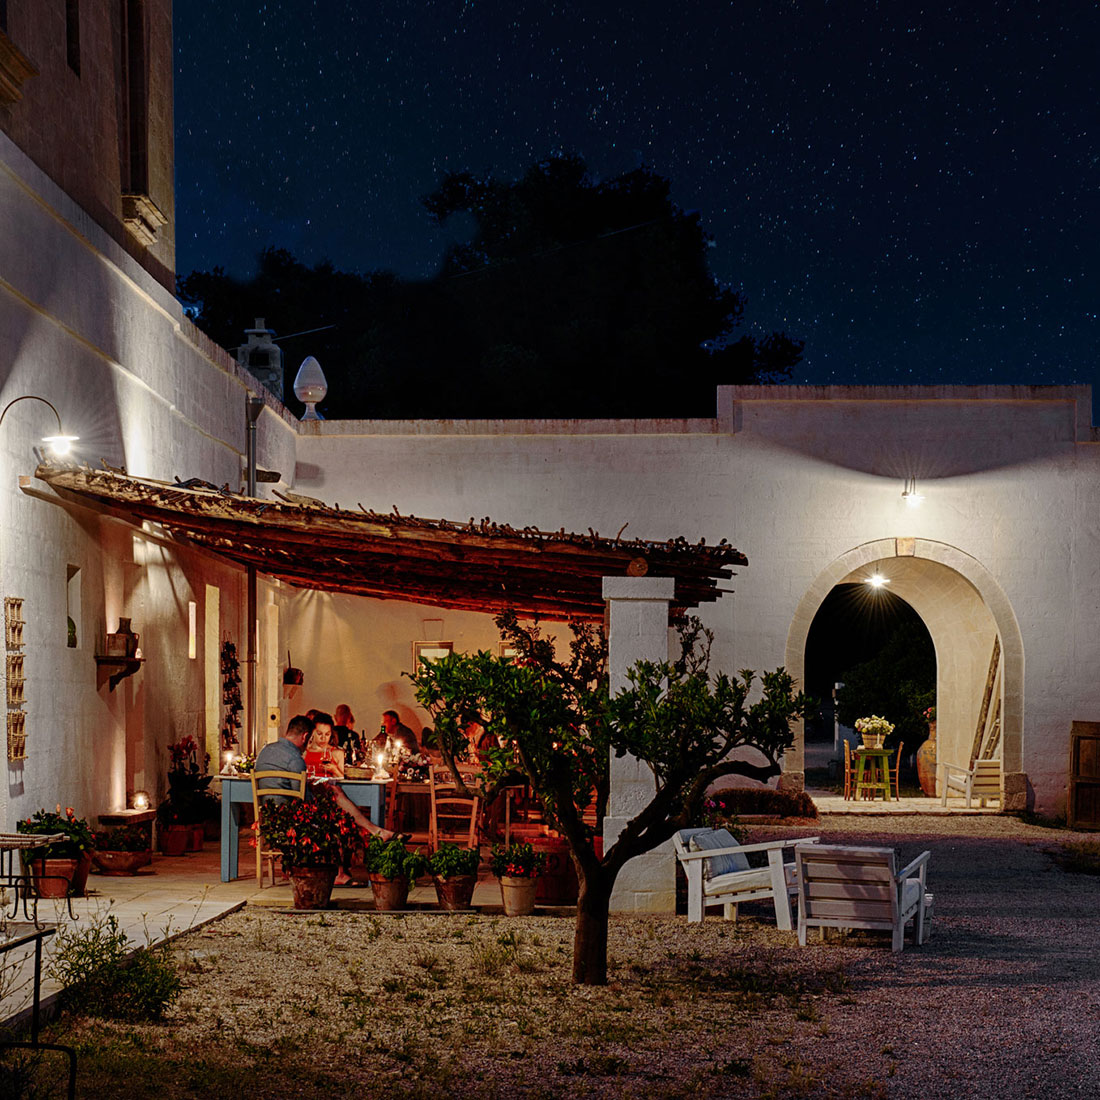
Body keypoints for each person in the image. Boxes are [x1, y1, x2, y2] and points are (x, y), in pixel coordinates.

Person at [256, 714, 394, 841]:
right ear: (305, 737)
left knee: (335, 796)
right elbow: (302, 797)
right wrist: (318, 790)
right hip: (290, 818)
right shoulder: (295, 759)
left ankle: (373, 832)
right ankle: (373, 833)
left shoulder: (264, 751)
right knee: (336, 799)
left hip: (268, 817)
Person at [303, 711, 345, 778]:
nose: (323, 738)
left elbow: (344, 781)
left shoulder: (337, 753)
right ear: (313, 732)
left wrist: (334, 770)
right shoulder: (304, 752)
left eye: (327, 734)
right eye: (319, 734)